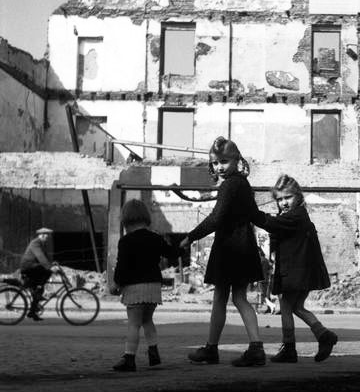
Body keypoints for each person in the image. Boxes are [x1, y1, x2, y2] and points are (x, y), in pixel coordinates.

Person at [181, 137, 266, 367]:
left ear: (237, 159)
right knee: (239, 298)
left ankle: (213, 349)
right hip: (244, 245)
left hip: (230, 248)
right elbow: (256, 215)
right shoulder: (243, 183)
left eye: (224, 161)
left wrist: (191, 236)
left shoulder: (230, 184)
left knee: (222, 297)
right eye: (216, 163)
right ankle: (254, 346)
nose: (219, 167)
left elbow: (216, 218)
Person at [254, 174, 338, 363]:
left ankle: (290, 348)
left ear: (298, 196)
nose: (283, 202)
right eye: (280, 199)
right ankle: (323, 335)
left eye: (287, 197)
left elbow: (272, 225)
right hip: (300, 270)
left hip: (296, 271)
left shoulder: (296, 216)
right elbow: (277, 234)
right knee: (297, 306)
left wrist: (253, 213)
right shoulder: (292, 216)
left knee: (286, 306)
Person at [111, 199, 180, 372]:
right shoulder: (156, 238)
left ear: (126, 219)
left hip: (135, 288)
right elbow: (172, 253)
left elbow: (122, 268)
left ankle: (129, 358)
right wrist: (184, 246)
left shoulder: (126, 241)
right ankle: (153, 352)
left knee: (134, 324)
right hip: (154, 287)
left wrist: (116, 284)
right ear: (145, 217)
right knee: (148, 320)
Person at [20, 227, 56, 321]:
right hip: (28, 267)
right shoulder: (35, 243)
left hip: (33, 267)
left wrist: (52, 264)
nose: (48, 237)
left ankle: (32, 312)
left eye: (48, 235)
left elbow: (46, 257)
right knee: (47, 271)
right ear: (42, 235)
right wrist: (50, 267)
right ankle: (39, 287)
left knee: (38, 291)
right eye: (46, 235)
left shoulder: (42, 244)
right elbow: (40, 256)